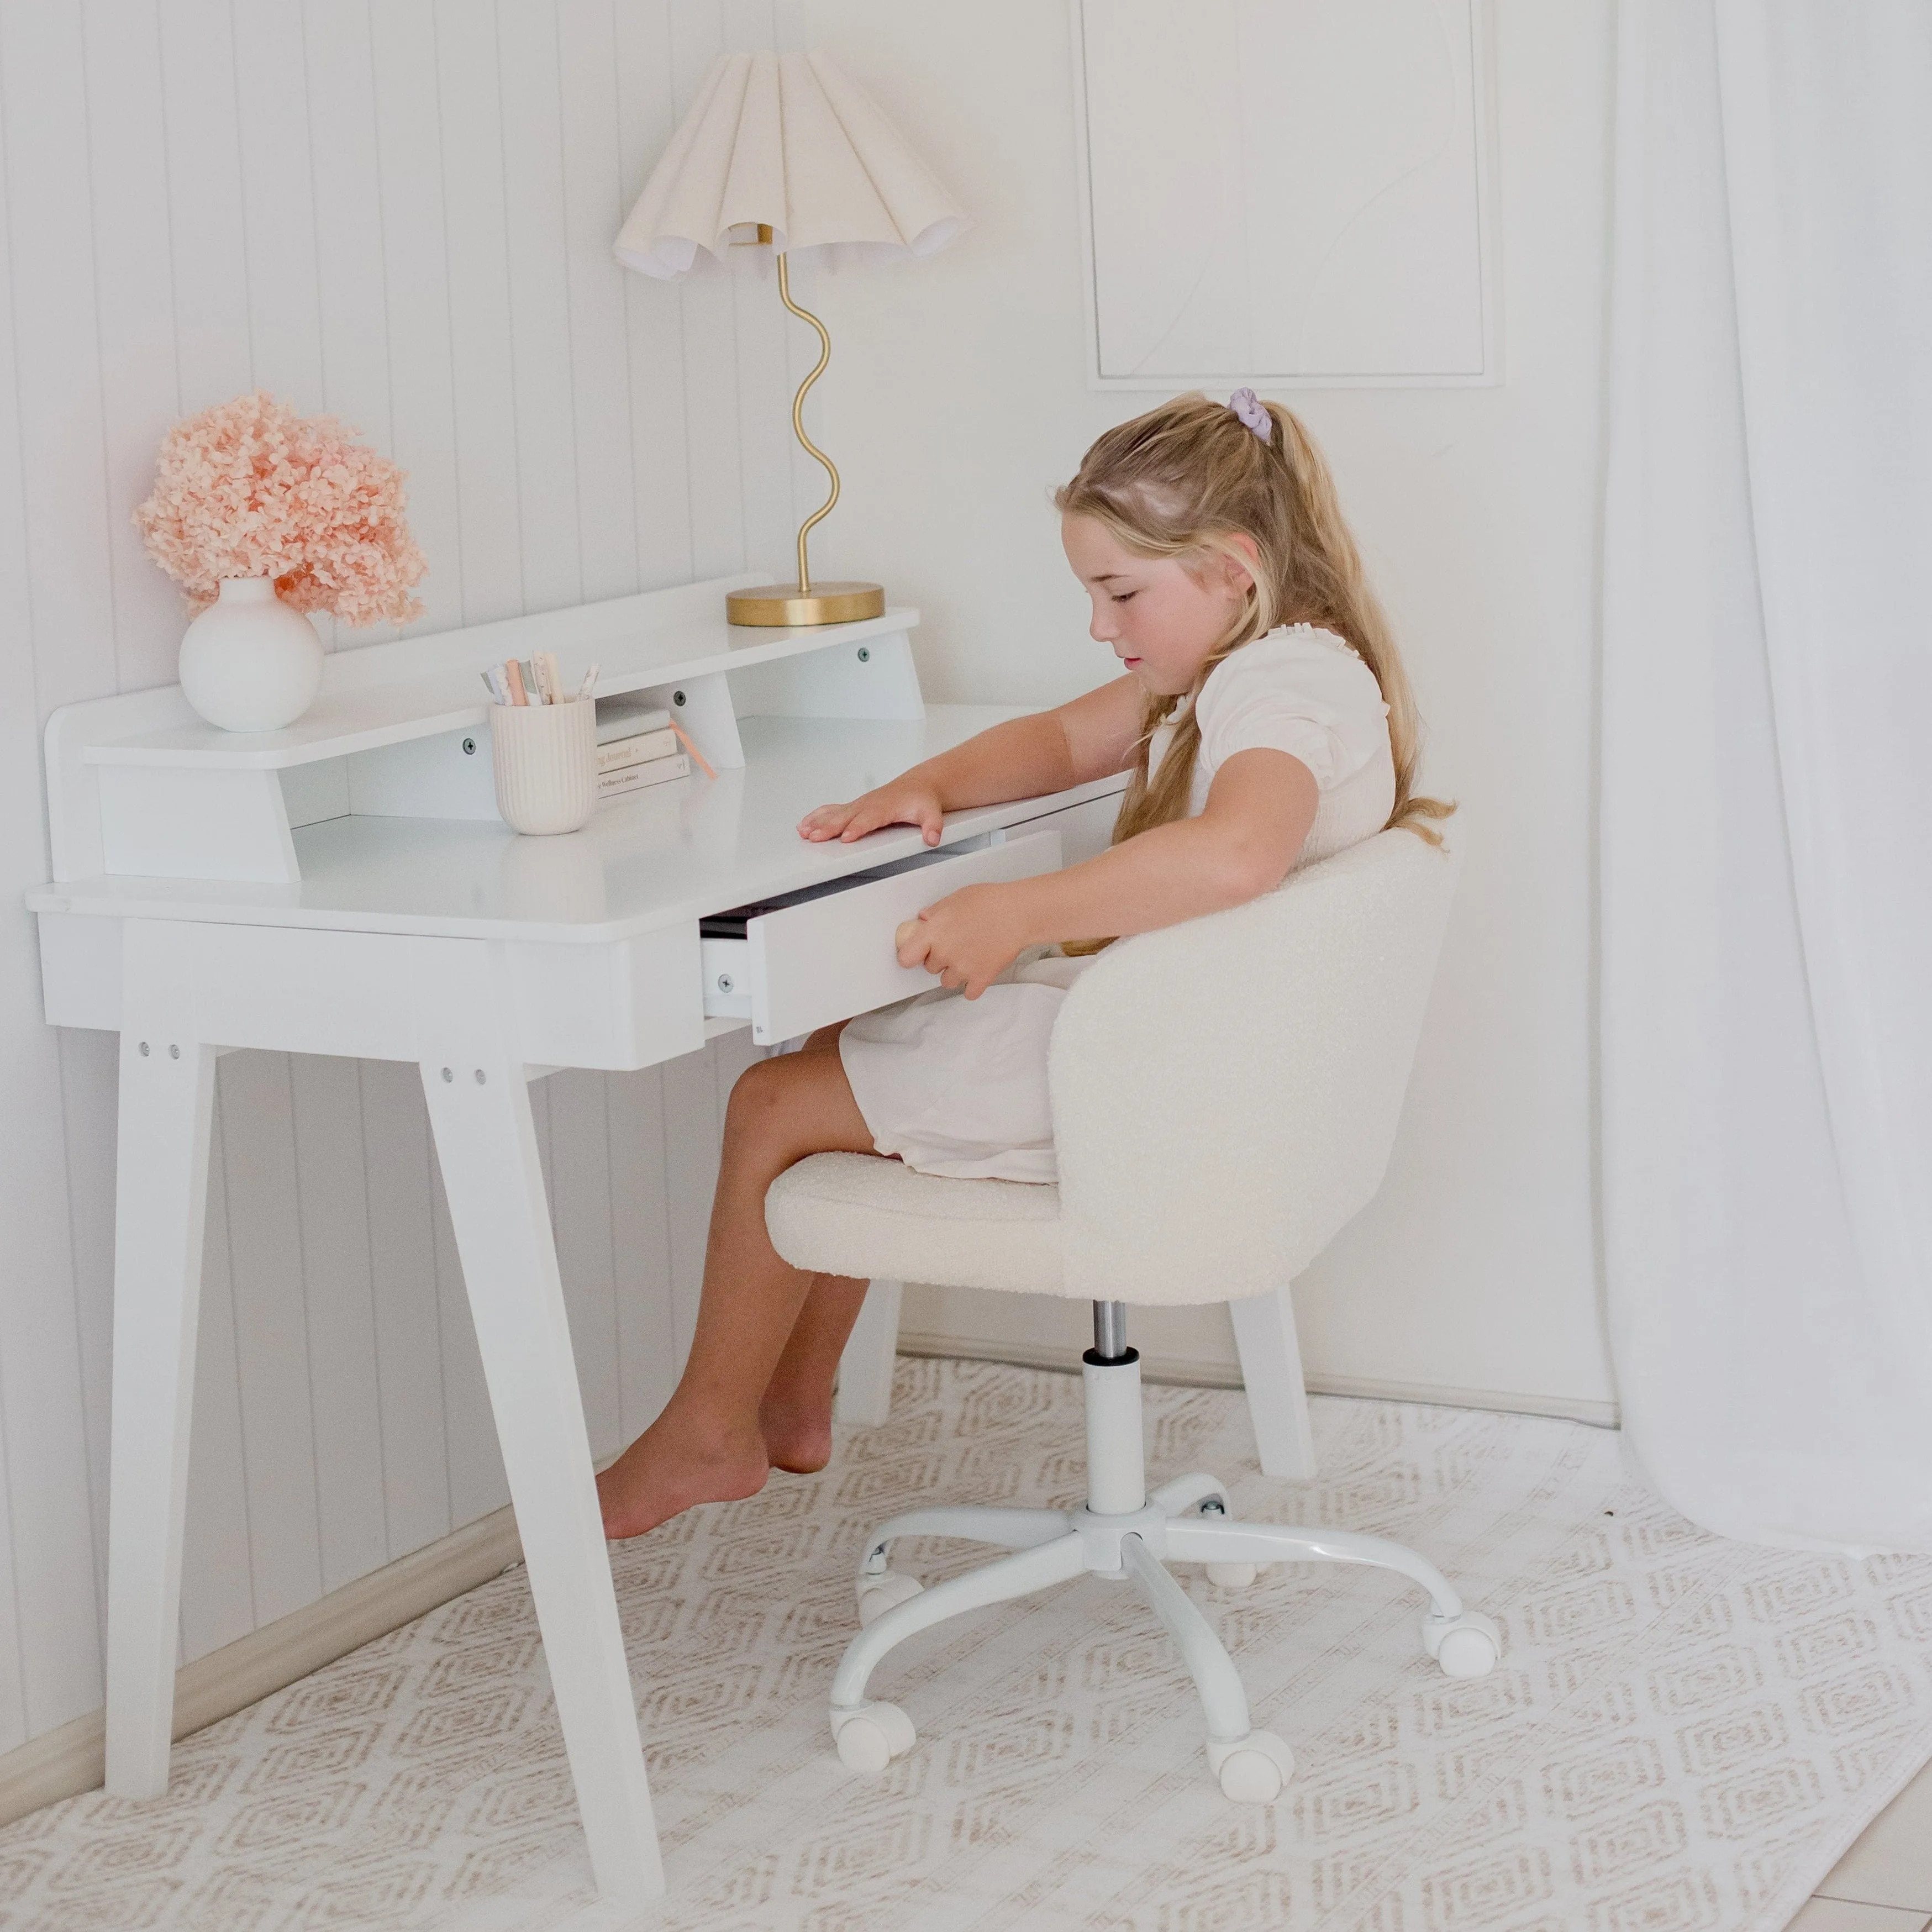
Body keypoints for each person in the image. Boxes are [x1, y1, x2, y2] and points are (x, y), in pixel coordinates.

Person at [596, 389, 1451, 1540]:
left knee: (773, 1101)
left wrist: (1021, 909)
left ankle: (709, 1428)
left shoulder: (1280, 692)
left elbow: (1239, 852)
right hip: (1209, 1059)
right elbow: (1061, 738)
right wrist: (932, 787)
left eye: (1119, 592)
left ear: (1230, 566)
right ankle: (792, 1403)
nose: (1104, 626)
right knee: (840, 1064)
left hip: (1160, 1083)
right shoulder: (1260, 664)